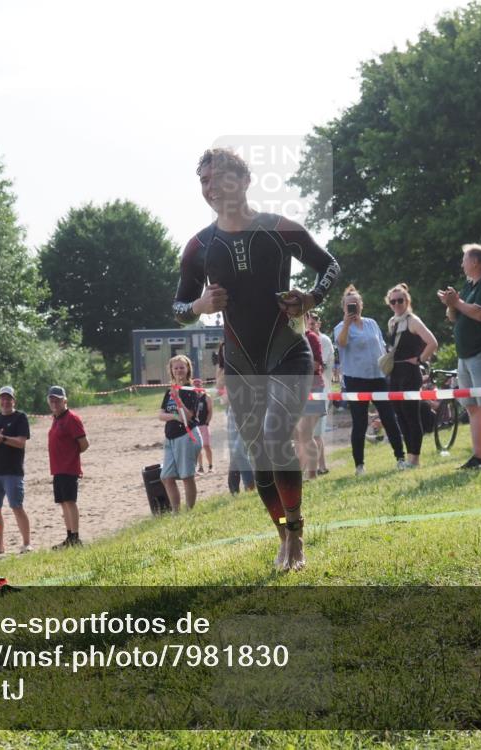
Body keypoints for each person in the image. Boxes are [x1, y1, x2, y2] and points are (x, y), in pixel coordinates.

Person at [173, 147, 339, 571]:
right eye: (204, 181)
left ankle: (297, 535)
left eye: (219, 178)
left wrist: (312, 297)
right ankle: (283, 535)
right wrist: (198, 305)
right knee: (257, 459)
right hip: (241, 363)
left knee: (273, 438)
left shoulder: (279, 229)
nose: (211, 188)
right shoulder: (199, 247)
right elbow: (176, 306)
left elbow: (329, 265)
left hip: (288, 352)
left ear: (244, 181)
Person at [437, 244, 481, 469]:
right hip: (465, 356)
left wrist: (456, 302)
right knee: (472, 407)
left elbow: (479, 314)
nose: (462, 263)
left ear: (476, 262)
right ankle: (478, 456)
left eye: (465, 259)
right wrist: (450, 304)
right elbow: (455, 317)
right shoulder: (469, 285)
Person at [334, 285, 409, 475]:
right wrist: (346, 324)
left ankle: (400, 458)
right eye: (349, 306)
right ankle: (359, 465)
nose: (353, 308)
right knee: (359, 423)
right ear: (343, 308)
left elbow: (382, 347)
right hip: (355, 380)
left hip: (378, 378)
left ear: (361, 305)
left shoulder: (372, 323)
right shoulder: (340, 327)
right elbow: (341, 344)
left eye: (356, 304)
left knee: (389, 419)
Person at [384, 283, 438, 467]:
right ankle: (410, 457)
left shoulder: (413, 320)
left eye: (401, 300)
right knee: (400, 416)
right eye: (393, 301)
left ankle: (415, 459)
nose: (397, 304)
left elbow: (432, 342)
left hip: (409, 373)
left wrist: (420, 359)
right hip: (395, 373)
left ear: (407, 301)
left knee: (411, 416)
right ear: (389, 303)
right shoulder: (392, 322)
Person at [0, 386, 33, 554]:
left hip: (13, 471)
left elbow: (21, 442)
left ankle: (27, 543)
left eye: (8, 398)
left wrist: (3, 438)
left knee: (16, 506)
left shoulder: (20, 417)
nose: (5, 402)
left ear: (14, 400)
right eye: (2, 398)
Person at [47, 386, 89, 548]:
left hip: (68, 468)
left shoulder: (71, 418)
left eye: (57, 400)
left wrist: (71, 457)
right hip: (58, 468)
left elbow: (84, 444)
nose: (54, 403)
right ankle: (69, 536)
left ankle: (76, 537)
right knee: (63, 502)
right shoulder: (56, 418)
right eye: (52, 400)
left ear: (65, 400)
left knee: (70, 501)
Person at [159, 356, 203, 511]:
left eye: (182, 367)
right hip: (170, 438)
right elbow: (161, 415)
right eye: (175, 368)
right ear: (171, 370)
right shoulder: (169, 391)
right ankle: (176, 512)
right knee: (166, 477)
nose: (179, 370)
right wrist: (174, 416)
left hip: (187, 436)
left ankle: (189, 510)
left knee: (186, 476)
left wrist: (178, 400)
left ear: (188, 369)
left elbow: (189, 416)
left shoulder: (191, 390)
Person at [215, 345, 255, 495]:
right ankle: (237, 489)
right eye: (224, 351)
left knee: (240, 450)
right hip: (232, 412)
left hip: (251, 410)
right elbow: (221, 391)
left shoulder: (247, 364)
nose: (227, 353)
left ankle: (250, 485)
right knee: (235, 453)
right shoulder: (223, 370)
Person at [296, 313, 328, 478]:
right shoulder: (287, 338)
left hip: (314, 389)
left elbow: (317, 364)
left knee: (306, 434)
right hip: (295, 392)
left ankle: (312, 475)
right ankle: (299, 476)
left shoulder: (312, 338)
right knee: (299, 436)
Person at [308, 312, 334, 474]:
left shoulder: (323, 341)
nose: (310, 327)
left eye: (312, 324)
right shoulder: (308, 340)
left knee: (315, 432)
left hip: (321, 389)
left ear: (318, 324)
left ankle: (319, 467)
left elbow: (319, 366)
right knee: (312, 432)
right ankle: (321, 466)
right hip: (311, 389)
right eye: (308, 324)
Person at [192, 378, 214, 474]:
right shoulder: (192, 397)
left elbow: (210, 411)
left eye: (198, 384)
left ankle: (211, 466)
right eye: (195, 384)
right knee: (197, 447)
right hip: (195, 426)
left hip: (203, 425)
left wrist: (207, 422)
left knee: (206, 445)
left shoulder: (206, 397)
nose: (197, 386)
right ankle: (200, 467)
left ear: (202, 385)